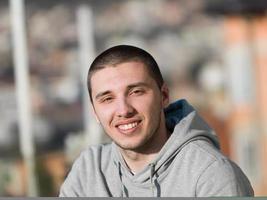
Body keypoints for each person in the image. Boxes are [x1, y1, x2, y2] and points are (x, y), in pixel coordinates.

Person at [59, 45, 254, 197]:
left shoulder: (211, 174)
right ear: (95, 111)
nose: (124, 110)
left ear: (164, 96)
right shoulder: (89, 170)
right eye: (107, 99)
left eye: (136, 92)